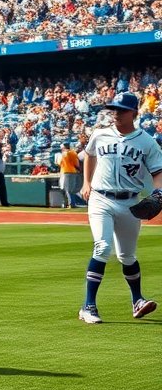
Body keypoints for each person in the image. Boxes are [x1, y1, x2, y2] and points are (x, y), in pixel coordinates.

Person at [76, 92, 162, 324]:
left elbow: (158, 172)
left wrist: (158, 191)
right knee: (103, 247)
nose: (116, 113)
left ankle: (137, 301)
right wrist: (86, 182)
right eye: (114, 109)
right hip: (100, 198)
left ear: (134, 112)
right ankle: (88, 306)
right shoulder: (100, 134)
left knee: (127, 255)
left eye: (121, 110)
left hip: (130, 202)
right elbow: (89, 155)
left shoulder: (146, 141)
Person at [58, 142, 81, 209]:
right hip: (68, 171)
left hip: (67, 172)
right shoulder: (72, 153)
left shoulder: (68, 153)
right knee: (68, 189)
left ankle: (71, 204)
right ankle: (68, 203)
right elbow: (76, 163)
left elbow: (59, 163)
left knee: (68, 189)